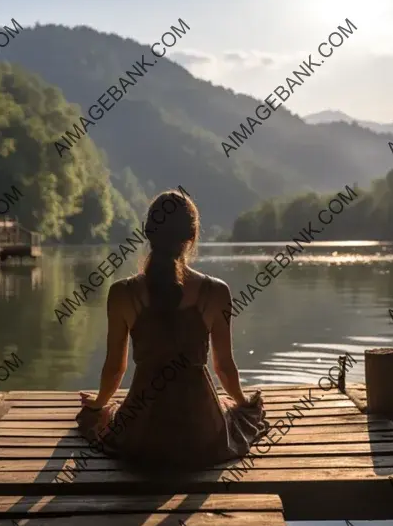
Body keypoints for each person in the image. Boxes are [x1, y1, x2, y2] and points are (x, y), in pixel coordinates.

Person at [76, 189, 269, 470]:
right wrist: (243, 402)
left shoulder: (122, 293)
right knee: (236, 414)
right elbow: (224, 368)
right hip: (202, 434)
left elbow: (115, 369)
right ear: (192, 237)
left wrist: (98, 404)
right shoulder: (216, 292)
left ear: (148, 233)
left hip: (141, 433)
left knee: (103, 416)